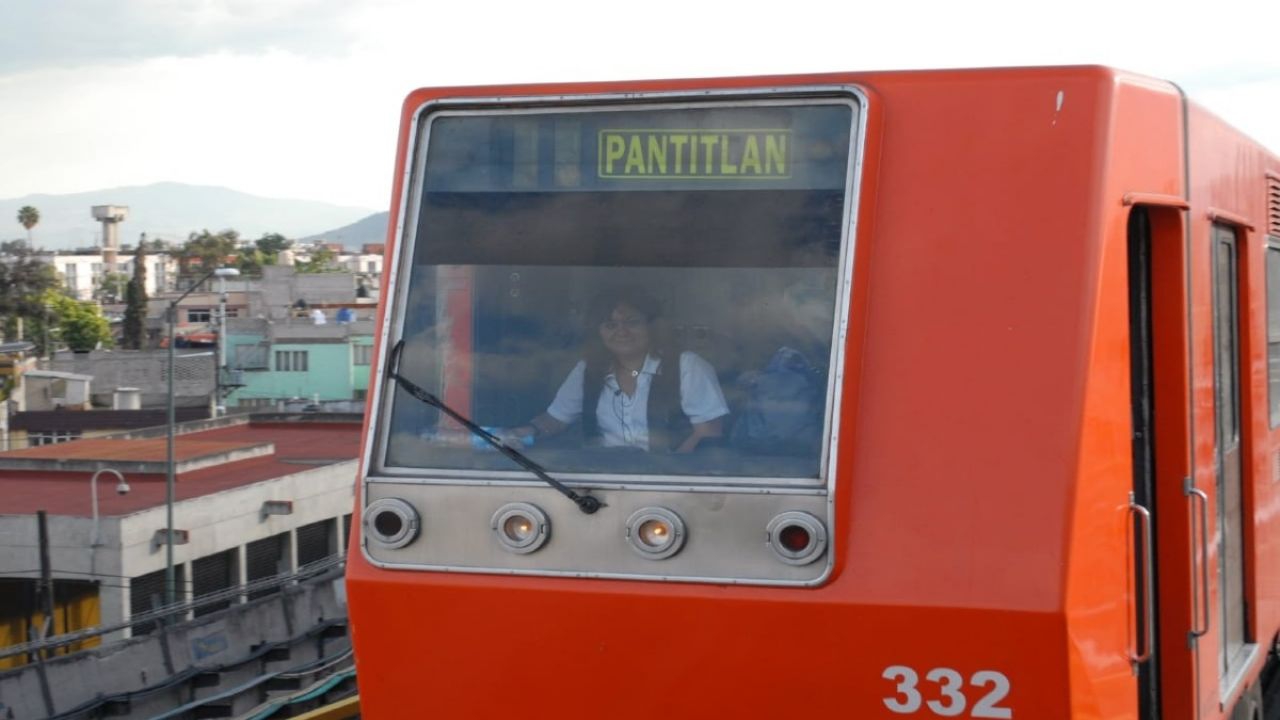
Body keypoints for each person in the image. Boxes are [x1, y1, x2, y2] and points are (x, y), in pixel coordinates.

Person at [511, 287, 729, 453]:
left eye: (632, 322)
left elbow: (707, 434)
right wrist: (525, 432)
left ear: (652, 327)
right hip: (606, 480)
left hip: (670, 483)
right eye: (610, 325)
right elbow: (556, 419)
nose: (621, 332)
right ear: (599, 332)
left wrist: (672, 475)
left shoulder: (688, 367)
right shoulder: (587, 369)